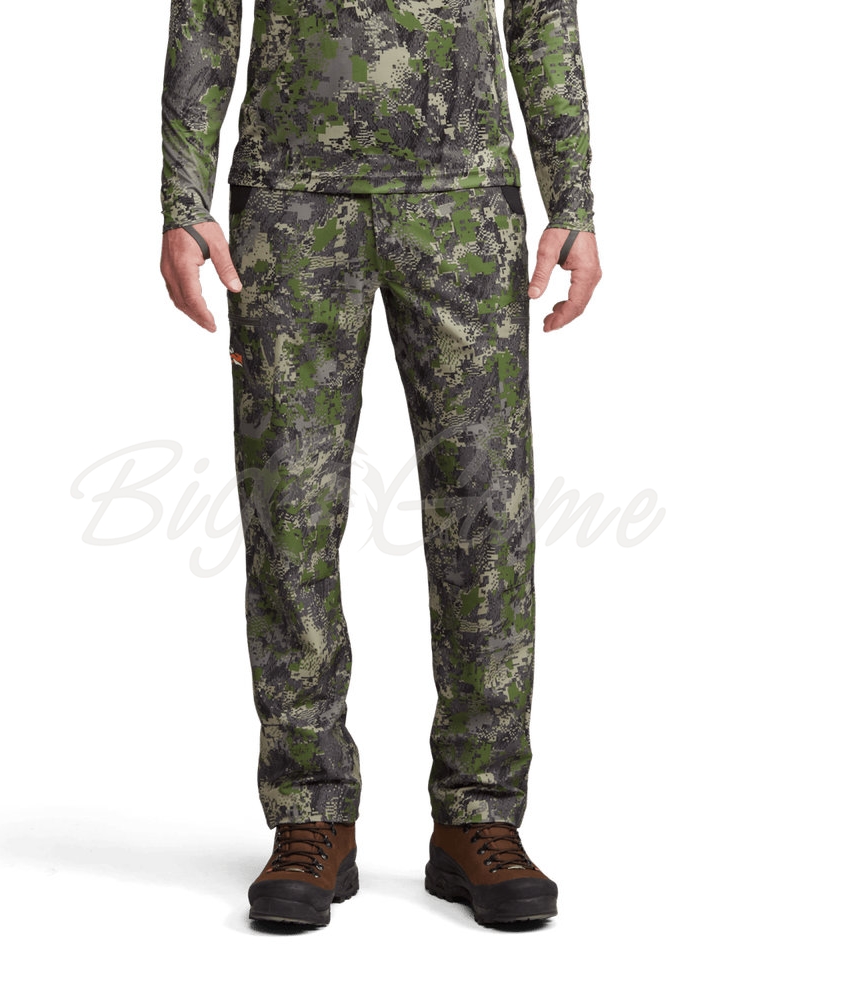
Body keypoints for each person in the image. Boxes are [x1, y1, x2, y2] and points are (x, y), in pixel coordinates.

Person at [159, 0, 602, 928]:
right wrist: (183, 199)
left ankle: (479, 816)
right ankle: (310, 811)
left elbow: (541, 14)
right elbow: (205, 16)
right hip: (289, 198)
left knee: (486, 514)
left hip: (463, 197)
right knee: (289, 513)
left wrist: (574, 201)